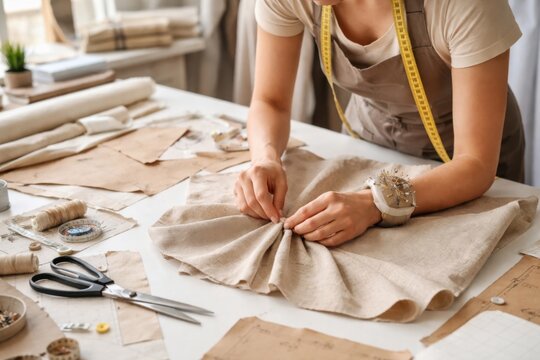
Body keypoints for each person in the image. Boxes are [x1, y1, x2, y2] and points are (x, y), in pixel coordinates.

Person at [234, 0, 525, 247]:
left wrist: (377, 203)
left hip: (465, 166)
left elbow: (475, 164)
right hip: (370, 138)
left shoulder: (464, 4)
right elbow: (270, 101)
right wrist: (265, 157)